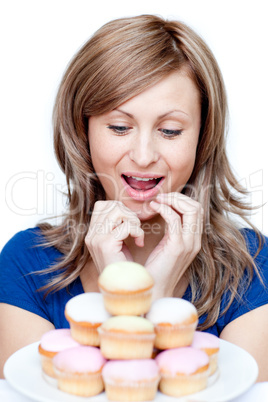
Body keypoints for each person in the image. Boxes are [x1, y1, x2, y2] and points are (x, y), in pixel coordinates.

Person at [1, 14, 268, 381]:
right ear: (83, 131)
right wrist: (122, 290)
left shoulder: (255, 268)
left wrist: (152, 296)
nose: (143, 155)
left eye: (170, 130)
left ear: (203, 137)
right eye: (120, 127)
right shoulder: (23, 263)